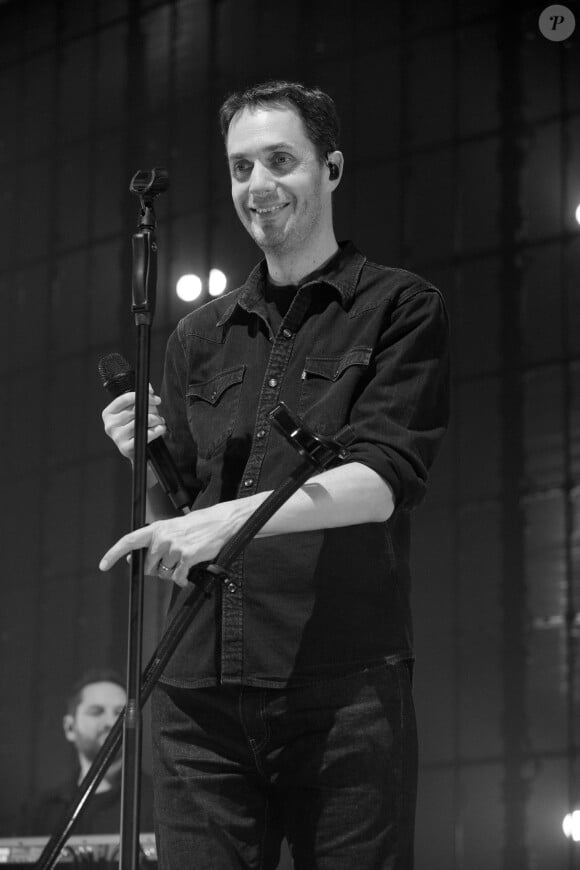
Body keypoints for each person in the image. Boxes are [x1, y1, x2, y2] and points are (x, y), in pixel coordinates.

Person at [100, 80, 450, 869]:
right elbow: (187, 512)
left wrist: (224, 521)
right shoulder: (197, 335)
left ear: (330, 168)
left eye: (280, 161)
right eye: (240, 167)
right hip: (198, 695)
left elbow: (384, 478)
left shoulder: (401, 306)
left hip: (345, 687)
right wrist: (146, 460)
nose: (257, 186)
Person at [30, 669, 155, 835]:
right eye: (96, 712)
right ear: (69, 727)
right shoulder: (45, 809)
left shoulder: (157, 800)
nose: (111, 722)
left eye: (120, 713)